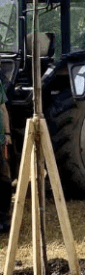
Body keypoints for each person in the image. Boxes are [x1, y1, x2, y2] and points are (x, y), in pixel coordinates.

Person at [0, 81, 12, 233]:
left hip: (0, 140)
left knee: (4, 180)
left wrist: (7, 133)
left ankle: (4, 218)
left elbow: (3, 108)